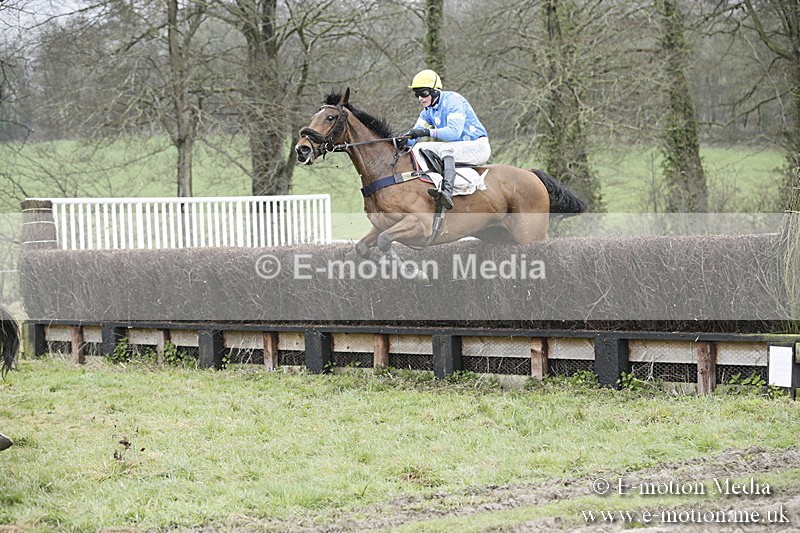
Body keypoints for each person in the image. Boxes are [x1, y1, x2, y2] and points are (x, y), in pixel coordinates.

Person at [404, 69, 491, 209]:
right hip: (457, 149)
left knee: (446, 147)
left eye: (423, 93)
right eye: (417, 94)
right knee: (419, 148)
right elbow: (413, 136)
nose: (420, 98)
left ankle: (447, 191)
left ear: (435, 91)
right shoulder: (428, 112)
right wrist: (397, 141)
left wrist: (425, 132)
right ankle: (432, 182)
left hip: (478, 147)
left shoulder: (453, 100)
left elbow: (454, 133)